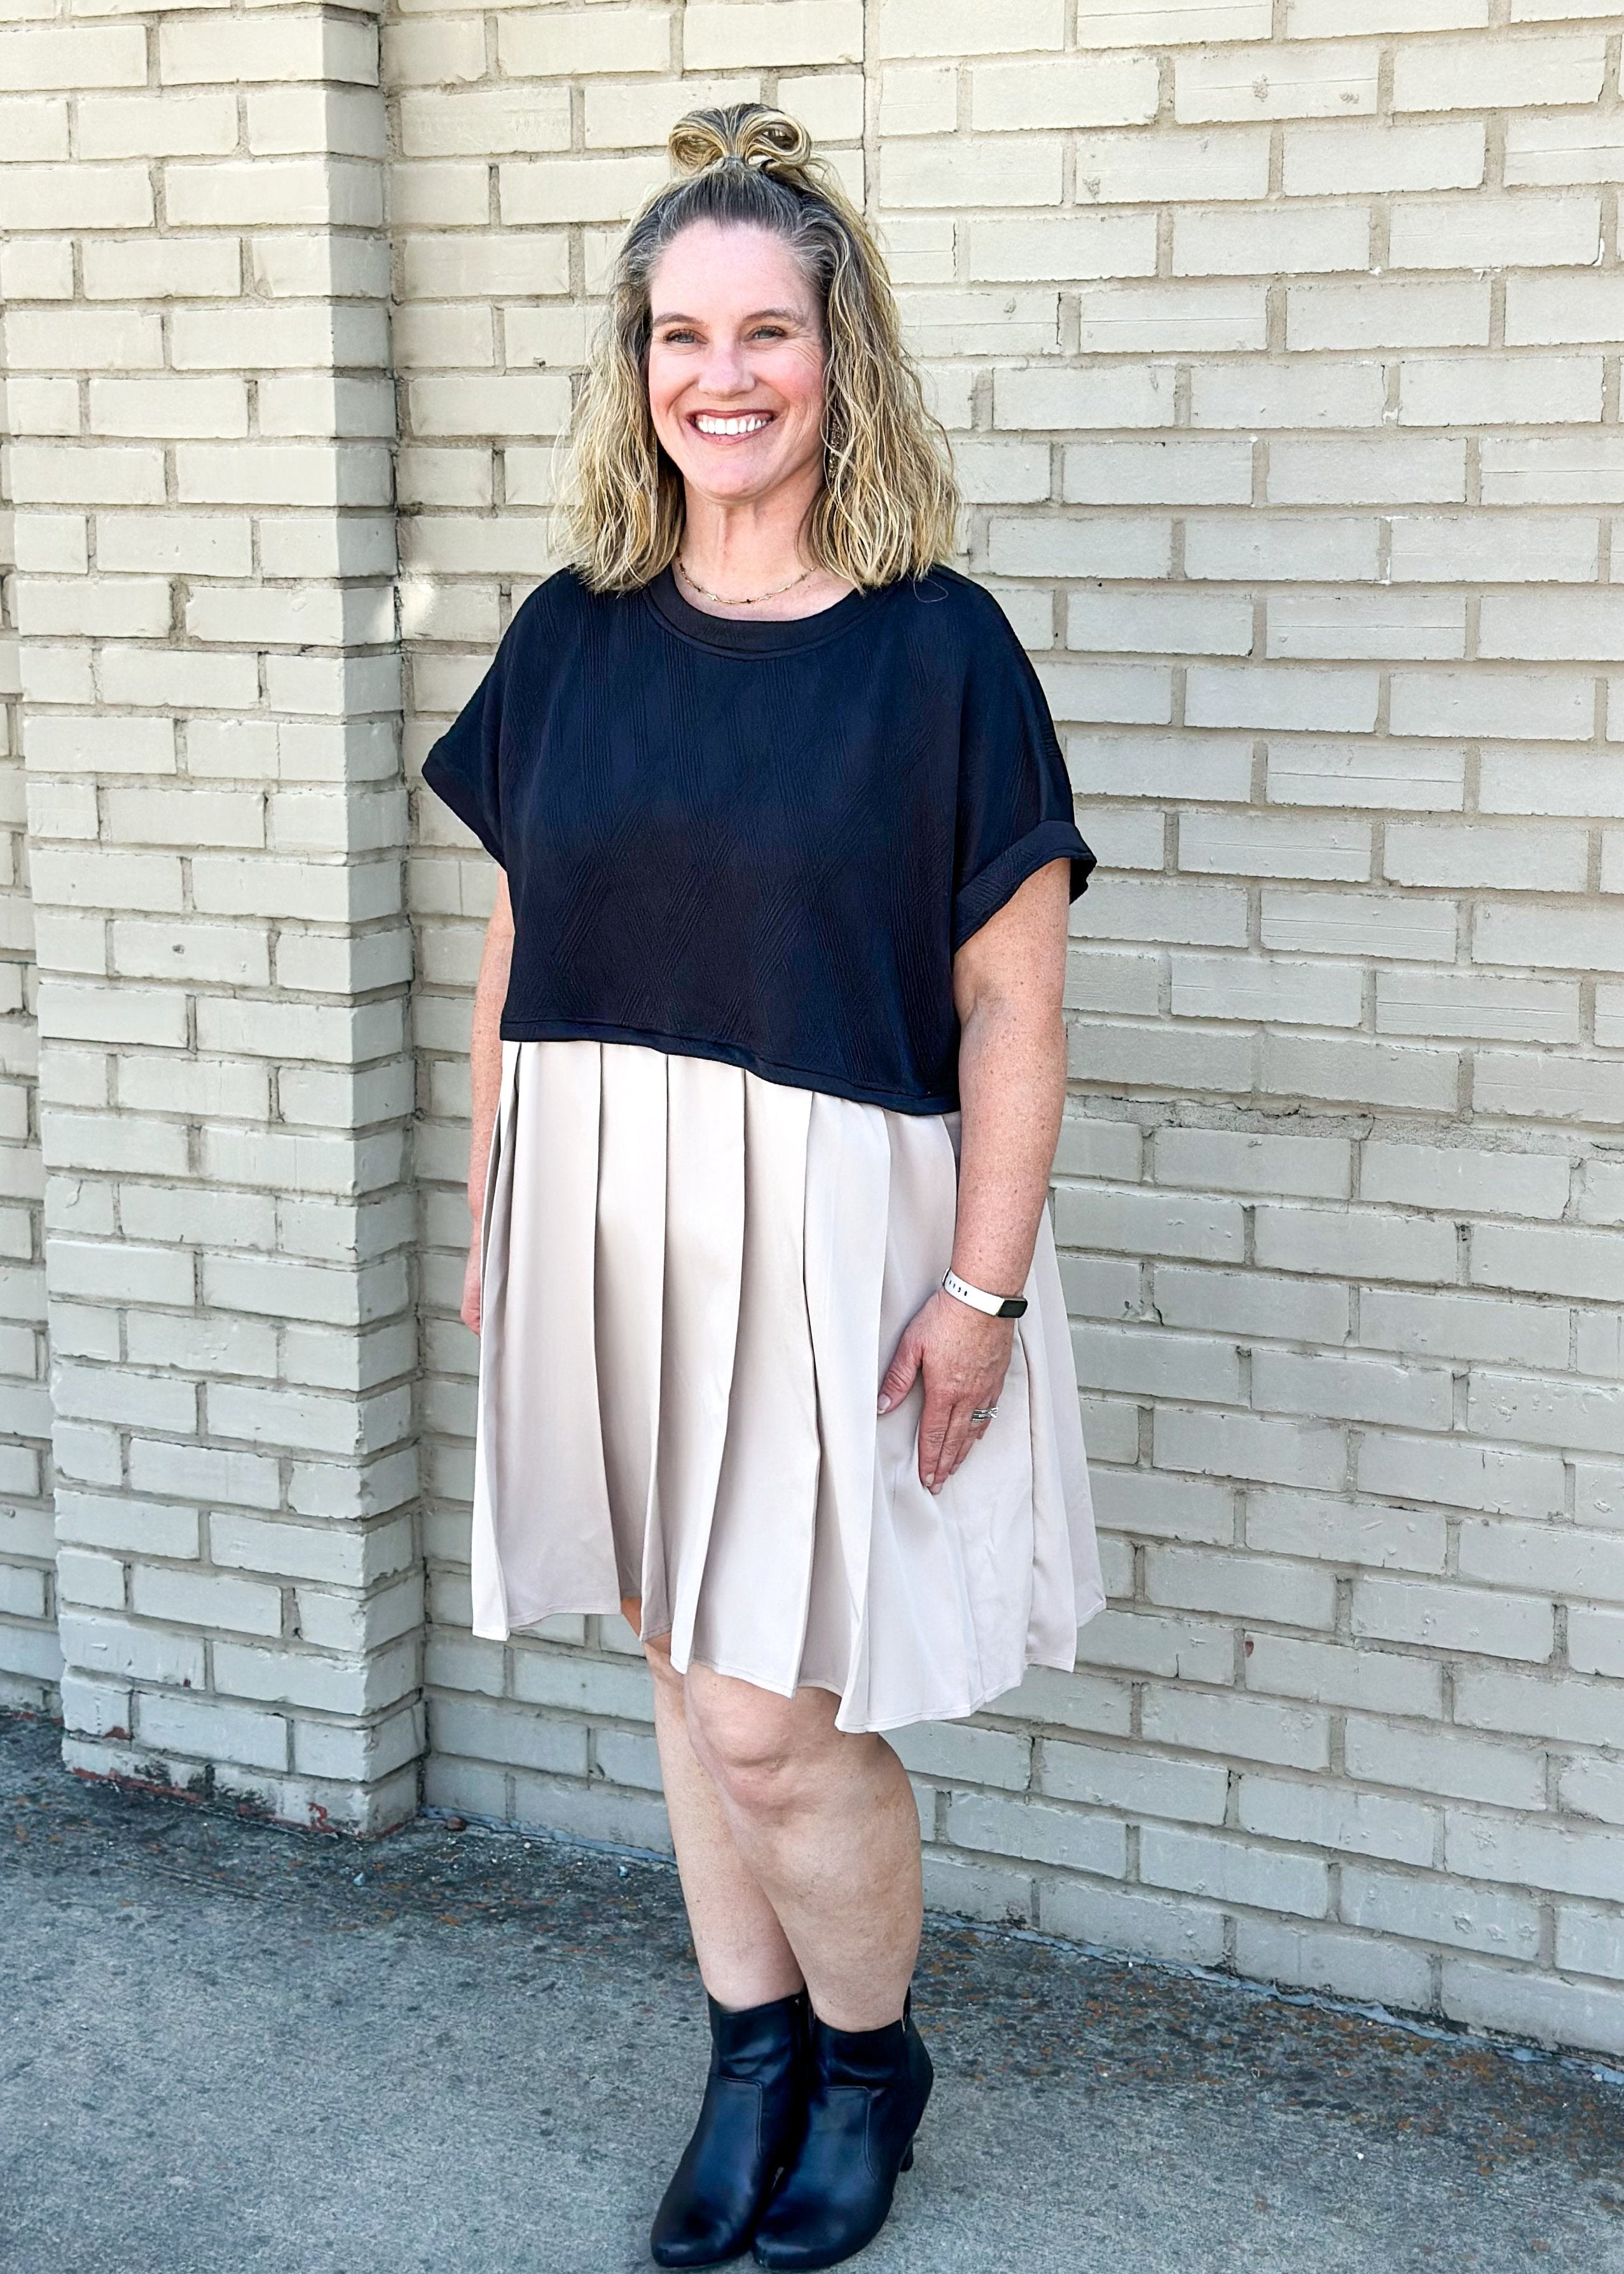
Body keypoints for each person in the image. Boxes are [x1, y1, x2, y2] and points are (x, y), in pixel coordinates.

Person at [424, 104, 1104, 2273]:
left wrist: (979, 1294)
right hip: (602, 1211)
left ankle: (870, 2058)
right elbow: (521, 944)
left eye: (766, 332)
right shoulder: (572, 633)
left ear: (840, 358)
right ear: (636, 364)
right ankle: (749, 2049)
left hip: (835, 1234)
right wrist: (491, 1211)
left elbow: (1012, 1009)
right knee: (670, 1656)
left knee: (769, 1715)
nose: (720, 375)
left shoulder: (938, 652)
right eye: (677, 334)